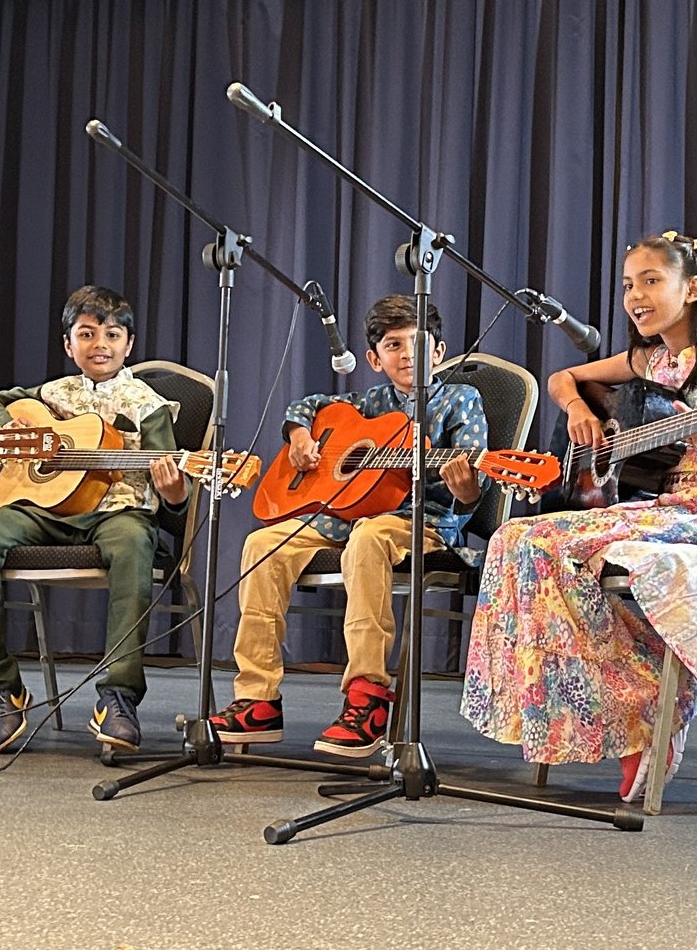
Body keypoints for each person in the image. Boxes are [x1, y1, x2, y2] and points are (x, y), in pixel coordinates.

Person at [460, 231, 697, 801]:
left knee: (543, 547)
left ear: (693, 288)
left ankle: (651, 710)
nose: (636, 295)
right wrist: (579, 409)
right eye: (629, 284)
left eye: (652, 281)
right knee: (516, 539)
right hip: (662, 506)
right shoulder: (645, 357)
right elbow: (563, 378)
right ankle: (649, 693)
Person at [209, 294, 489, 758]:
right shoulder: (371, 401)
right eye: (394, 346)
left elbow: (470, 493)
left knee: (370, 536)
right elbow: (308, 405)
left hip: (424, 524)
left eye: (418, 344)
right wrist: (299, 434)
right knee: (262, 543)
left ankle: (368, 695)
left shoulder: (462, 399)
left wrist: (467, 487)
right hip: (348, 518)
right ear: (375, 360)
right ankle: (257, 700)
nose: (407, 355)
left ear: (438, 353)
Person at [0, 285, 189, 754]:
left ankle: (117, 695)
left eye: (112, 334)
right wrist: (8, 427)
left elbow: (172, 490)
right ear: (69, 344)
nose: (100, 344)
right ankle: (3, 687)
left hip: (117, 514)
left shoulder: (149, 405)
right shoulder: (52, 393)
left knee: (133, 543)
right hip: (43, 511)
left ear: (129, 344)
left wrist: (175, 490)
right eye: (87, 334)